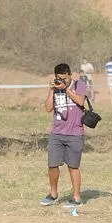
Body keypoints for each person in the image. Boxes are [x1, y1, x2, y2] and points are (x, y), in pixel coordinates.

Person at [41, 63, 88, 208]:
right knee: (52, 165)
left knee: (73, 166)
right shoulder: (55, 89)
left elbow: (81, 101)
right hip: (57, 133)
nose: (62, 80)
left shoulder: (79, 84)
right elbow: (48, 108)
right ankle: (53, 194)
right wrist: (51, 90)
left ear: (70, 75)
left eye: (64, 78)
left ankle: (76, 197)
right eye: (59, 78)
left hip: (75, 133)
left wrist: (67, 89)